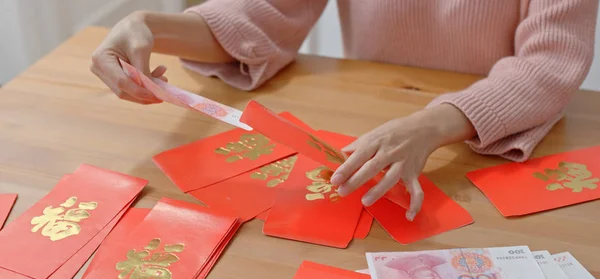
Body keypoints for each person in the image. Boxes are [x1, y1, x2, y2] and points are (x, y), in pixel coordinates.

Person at [91, 0, 599, 221]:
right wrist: (148, 25)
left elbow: (550, 64)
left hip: (481, 147)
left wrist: (431, 123)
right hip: (370, 124)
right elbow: (258, 18)